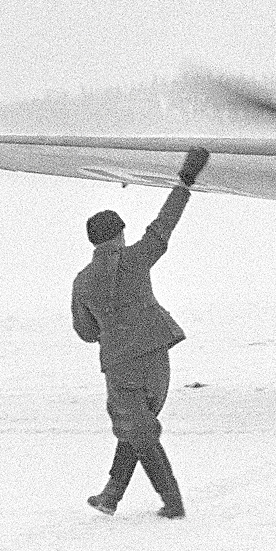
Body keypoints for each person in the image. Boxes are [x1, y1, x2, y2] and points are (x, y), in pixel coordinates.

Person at [75, 147, 209, 518]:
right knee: (137, 428)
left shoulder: (82, 283)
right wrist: (185, 183)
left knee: (139, 431)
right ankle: (111, 496)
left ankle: (173, 503)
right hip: (157, 357)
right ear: (119, 235)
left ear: (94, 241)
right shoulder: (137, 259)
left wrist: (109, 328)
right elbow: (163, 226)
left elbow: (85, 332)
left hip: (121, 365)